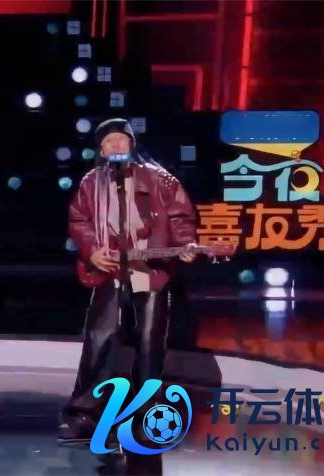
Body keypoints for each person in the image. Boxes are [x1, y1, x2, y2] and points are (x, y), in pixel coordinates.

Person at [58, 118, 197, 442]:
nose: (116, 145)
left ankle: (148, 417)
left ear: (132, 145)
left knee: (149, 344)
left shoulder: (160, 179)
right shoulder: (91, 182)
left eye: (121, 139)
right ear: (101, 150)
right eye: (109, 141)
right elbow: (79, 220)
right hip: (110, 269)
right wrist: (92, 251)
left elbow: (180, 216)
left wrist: (186, 244)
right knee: (100, 339)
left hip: (149, 269)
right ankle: (85, 416)